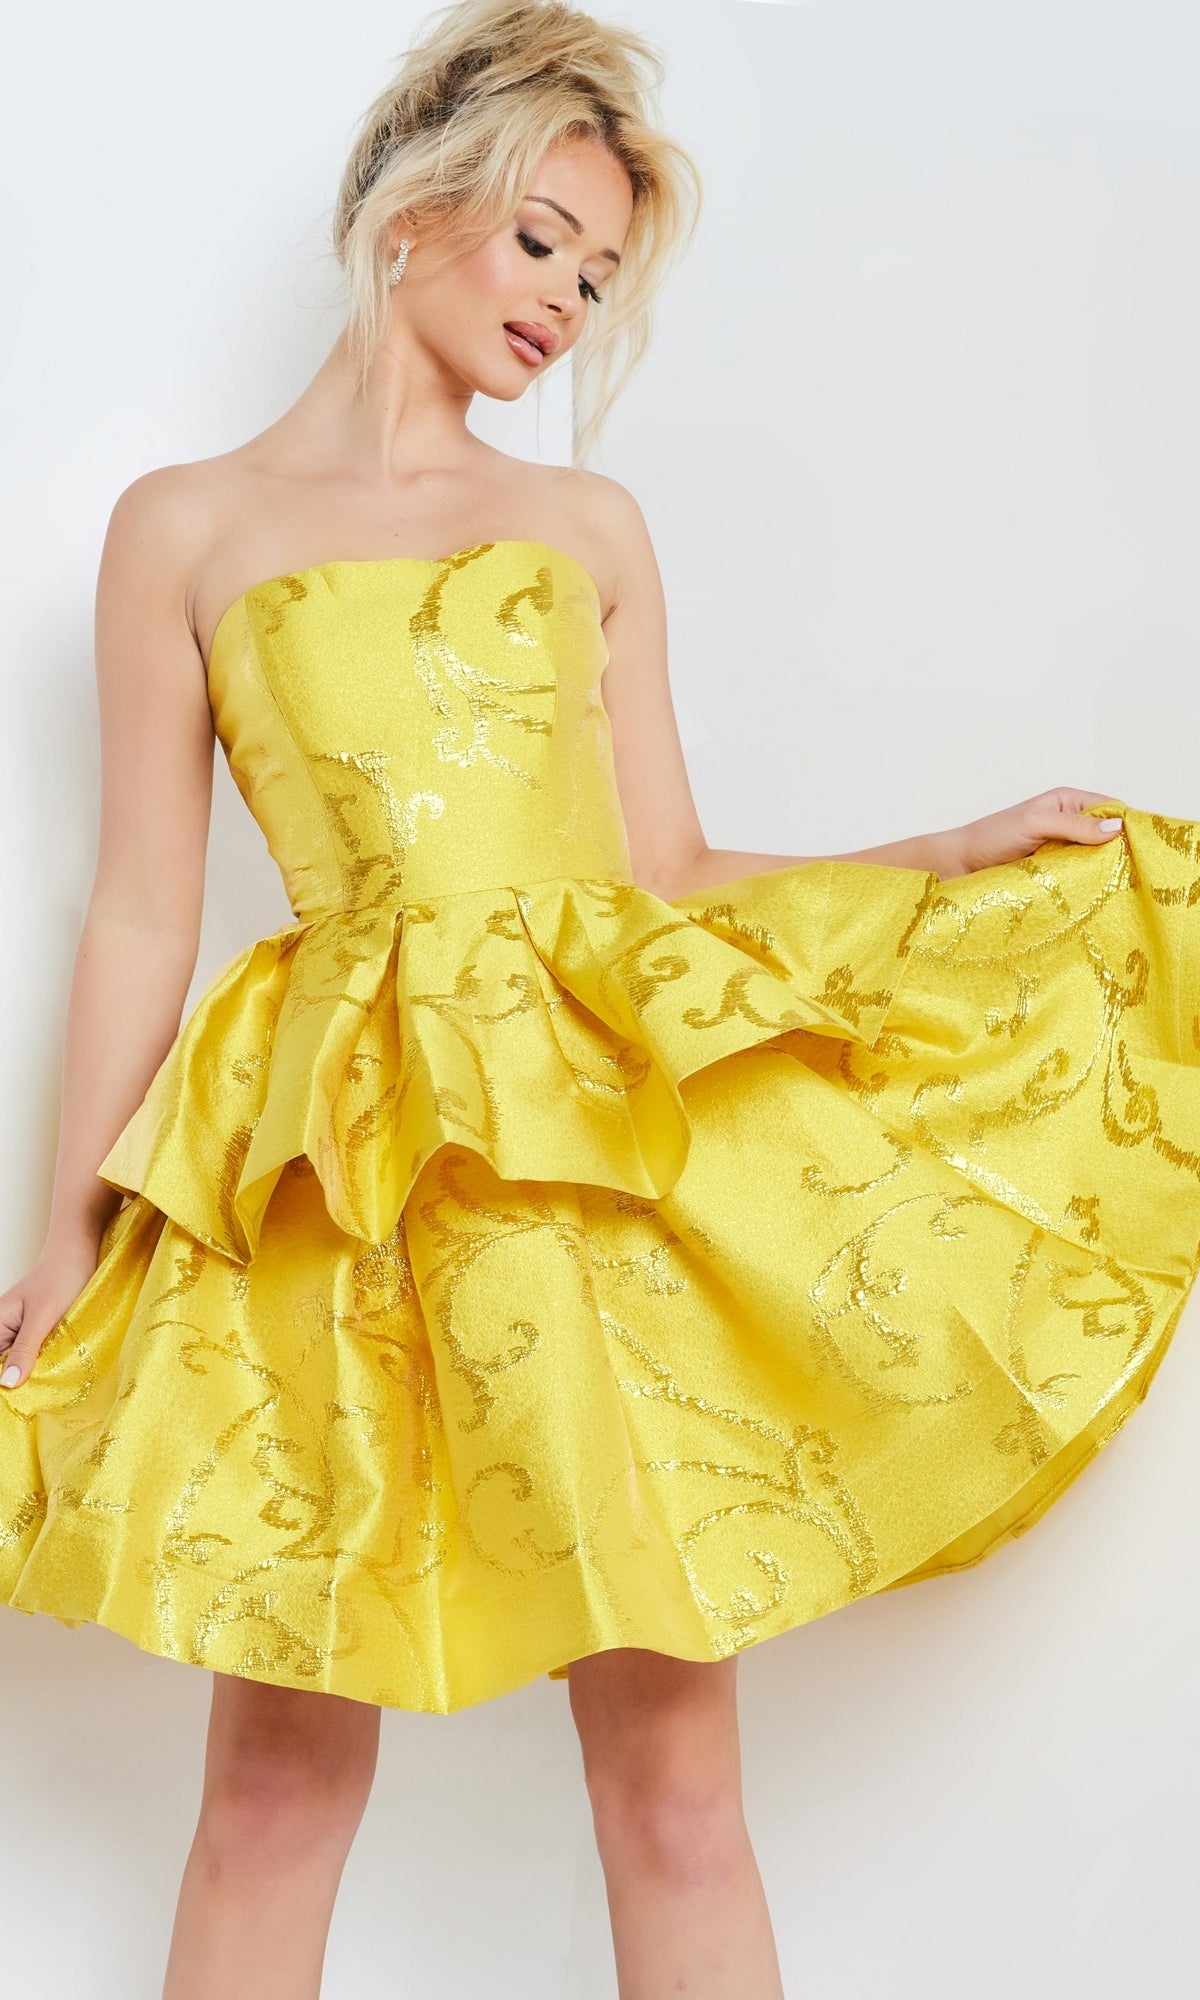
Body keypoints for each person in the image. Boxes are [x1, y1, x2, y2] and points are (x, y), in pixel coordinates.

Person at [2, 3, 1198, 1995]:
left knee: (667, 1774)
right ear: (418, 203)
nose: (567, 296)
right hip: (331, 1177)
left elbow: (669, 874)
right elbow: (138, 906)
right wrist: (60, 1227)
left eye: (599, 269)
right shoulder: (184, 530)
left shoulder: (582, 528)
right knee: (281, 1779)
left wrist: (940, 854)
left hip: (585, 1165)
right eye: (544, 237)